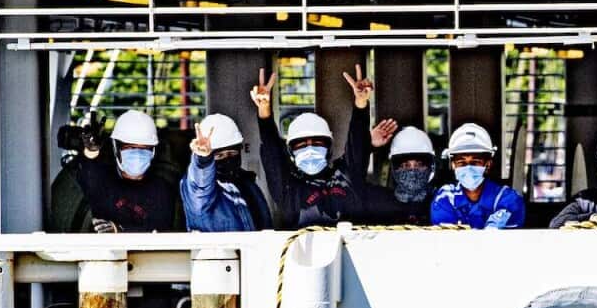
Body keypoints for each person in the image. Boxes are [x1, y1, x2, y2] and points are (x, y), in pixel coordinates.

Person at [252, 65, 396, 228]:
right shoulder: (289, 189)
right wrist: (264, 113)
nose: (310, 149)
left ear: (329, 147)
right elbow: (273, 156)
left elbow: (356, 146)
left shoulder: (344, 176)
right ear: (291, 151)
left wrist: (361, 103)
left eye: (317, 142)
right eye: (301, 144)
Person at [73, 109, 179, 232]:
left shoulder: (161, 189)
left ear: (153, 151)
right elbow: (87, 174)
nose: (138, 154)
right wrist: (91, 151)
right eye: (130, 147)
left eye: (145, 148)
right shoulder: (104, 181)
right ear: (116, 148)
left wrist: (119, 230)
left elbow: (161, 228)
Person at [180, 113, 274, 231]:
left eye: (232, 153)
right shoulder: (198, 191)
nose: (227, 159)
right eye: (219, 155)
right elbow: (200, 186)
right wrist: (203, 159)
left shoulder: (248, 184)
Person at [430, 122, 525, 229]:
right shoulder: (445, 199)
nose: (468, 168)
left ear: (488, 164)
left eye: (475, 162)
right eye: (461, 162)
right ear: (453, 165)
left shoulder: (507, 199)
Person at [364, 125, 437, 225]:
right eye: (406, 165)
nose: (412, 171)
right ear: (393, 168)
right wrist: (366, 145)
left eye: (419, 165)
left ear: (431, 167)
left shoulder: (442, 202)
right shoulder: (377, 201)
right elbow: (350, 182)